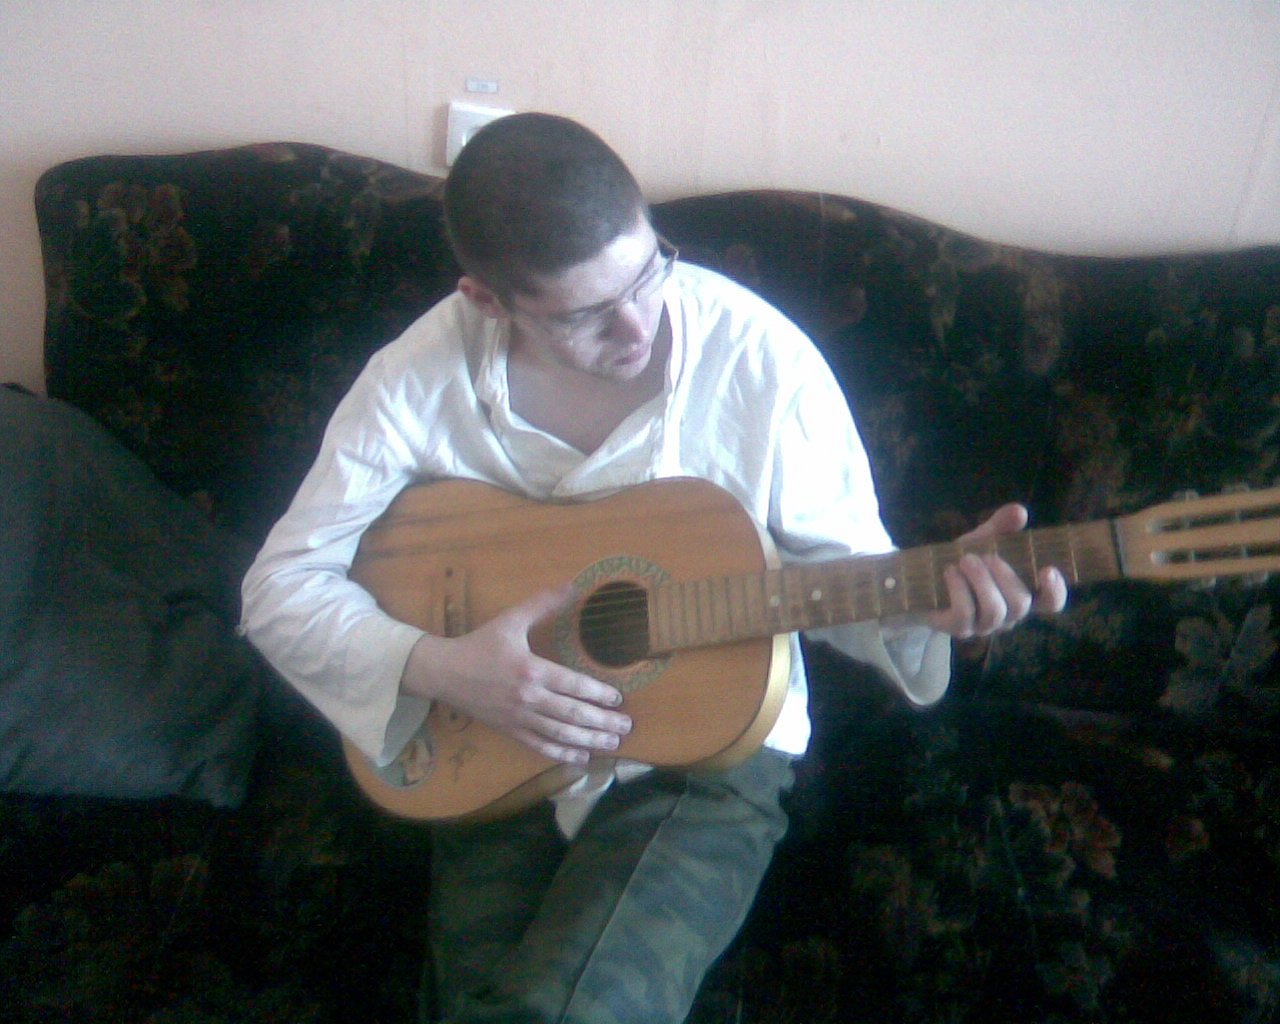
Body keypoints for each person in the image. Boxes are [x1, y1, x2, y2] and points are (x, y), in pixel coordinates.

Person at [240, 112, 1067, 1024]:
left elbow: (847, 572)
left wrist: (928, 604)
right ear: (487, 301)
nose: (638, 326)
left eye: (647, 273)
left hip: (710, 753)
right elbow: (276, 590)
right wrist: (442, 667)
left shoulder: (761, 361)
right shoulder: (416, 378)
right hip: (496, 746)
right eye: (586, 314)